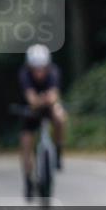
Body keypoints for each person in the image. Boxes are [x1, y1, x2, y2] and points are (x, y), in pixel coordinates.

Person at [18, 44, 68, 199]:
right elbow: (31, 98)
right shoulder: (24, 74)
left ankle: (58, 150)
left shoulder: (53, 72)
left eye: (42, 68)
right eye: (35, 68)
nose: (39, 72)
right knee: (26, 143)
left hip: (47, 107)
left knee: (60, 117)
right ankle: (28, 180)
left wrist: (44, 100)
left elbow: (54, 95)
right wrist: (41, 100)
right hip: (31, 111)